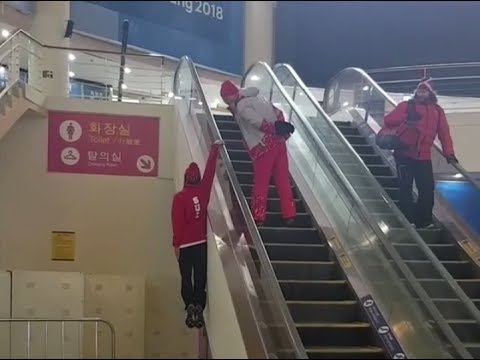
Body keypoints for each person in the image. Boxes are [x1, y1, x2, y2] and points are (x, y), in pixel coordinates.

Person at [384, 77, 458, 228]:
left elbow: (444, 133)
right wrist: (406, 117)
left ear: (430, 93)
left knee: (427, 188)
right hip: (404, 154)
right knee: (405, 186)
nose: (421, 92)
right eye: (419, 89)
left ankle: (423, 220)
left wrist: (448, 153)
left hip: (424, 157)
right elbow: (388, 120)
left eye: (424, 90)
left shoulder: (437, 111)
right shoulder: (406, 105)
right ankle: (407, 219)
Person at [220, 80, 296, 226]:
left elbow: (257, 122)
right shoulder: (259, 99)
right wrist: (280, 130)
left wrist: (272, 129)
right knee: (283, 179)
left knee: (261, 182)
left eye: (225, 98)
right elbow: (279, 113)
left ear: (229, 96)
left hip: (263, 146)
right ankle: (289, 214)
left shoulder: (242, 106)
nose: (226, 102)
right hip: (279, 144)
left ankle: (258, 216)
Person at [171, 141, 223, 329]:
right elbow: (210, 171)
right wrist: (215, 149)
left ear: (185, 178)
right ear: (198, 178)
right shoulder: (203, 191)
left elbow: (177, 224)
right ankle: (199, 306)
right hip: (201, 244)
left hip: (184, 245)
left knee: (186, 277)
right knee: (200, 277)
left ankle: (189, 305)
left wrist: (176, 245)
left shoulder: (179, 197)